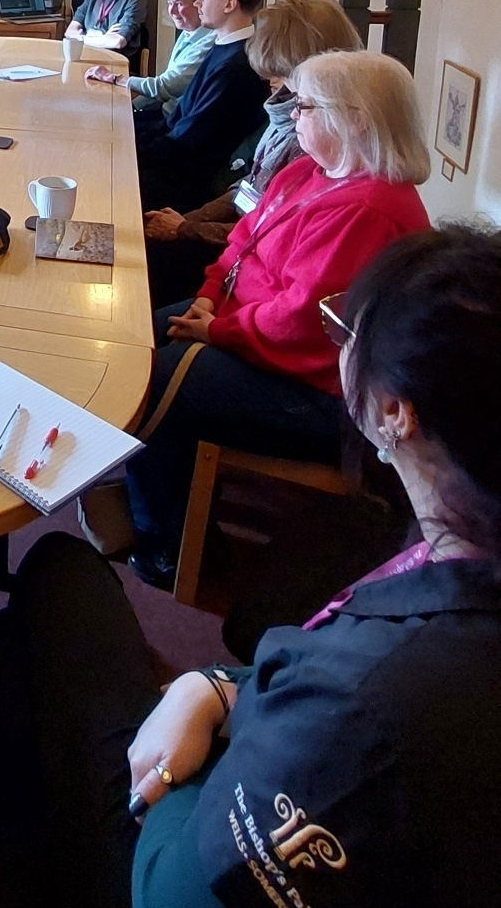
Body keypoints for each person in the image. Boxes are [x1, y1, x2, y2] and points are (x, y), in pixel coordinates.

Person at [0, 225, 501, 908]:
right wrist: (218, 685)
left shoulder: (373, 704)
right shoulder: (441, 588)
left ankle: (5, 898)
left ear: (395, 411)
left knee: (57, 582)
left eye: (349, 333)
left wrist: (180, 739)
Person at [125, 49, 432, 586]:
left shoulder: (369, 208)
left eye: (306, 105)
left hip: (322, 392)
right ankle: (145, 478)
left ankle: (166, 545)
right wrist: (208, 297)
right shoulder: (309, 172)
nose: (292, 113)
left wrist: (216, 327)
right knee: (135, 335)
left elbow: (300, 318)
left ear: (353, 118)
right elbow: (244, 241)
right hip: (249, 325)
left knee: (161, 378)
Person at [142, 0, 364, 306]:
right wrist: (187, 221)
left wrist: (186, 229)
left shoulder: (313, 141)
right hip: (233, 240)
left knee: (145, 262)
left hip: (247, 263)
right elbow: (248, 187)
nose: (269, 80)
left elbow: (268, 233)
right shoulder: (283, 114)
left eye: (281, 75)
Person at [133, 0, 270, 212]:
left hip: (187, 179)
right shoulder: (223, 46)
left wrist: (131, 154)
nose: (197, 3)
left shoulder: (236, 66)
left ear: (229, 4)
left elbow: (189, 143)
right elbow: (178, 118)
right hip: (176, 158)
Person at [86, 0, 212, 112]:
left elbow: (164, 87)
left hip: (173, 121)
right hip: (165, 111)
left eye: (179, 4)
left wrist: (114, 78)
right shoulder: (187, 32)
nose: (172, 11)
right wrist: (133, 108)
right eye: (170, 3)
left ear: (199, 4)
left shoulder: (207, 42)